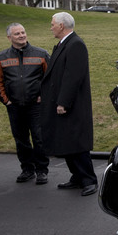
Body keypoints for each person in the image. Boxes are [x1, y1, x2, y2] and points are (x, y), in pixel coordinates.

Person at [40, 12, 98, 197]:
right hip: (60, 102)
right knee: (66, 142)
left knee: (76, 142)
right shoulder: (64, 44)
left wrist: (63, 102)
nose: (51, 27)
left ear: (61, 26)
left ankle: (89, 179)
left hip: (72, 104)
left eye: (53, 24)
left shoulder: (76, 45)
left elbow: (73, 77)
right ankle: (77, 177)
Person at [0, 23, 50, 184]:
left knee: (39, 138)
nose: (22, 35)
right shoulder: (1, 57)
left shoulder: (41, 54)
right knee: (21, 139)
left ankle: (42, 170)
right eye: (17, 34)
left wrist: (42, 97)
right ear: (9, 37)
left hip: (36, 106)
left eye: (23, 32)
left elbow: (50, 79)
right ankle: (27, 169)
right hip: (15, 106)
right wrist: (7, 101)